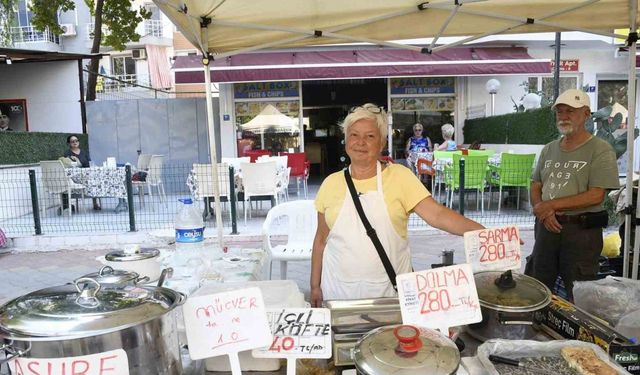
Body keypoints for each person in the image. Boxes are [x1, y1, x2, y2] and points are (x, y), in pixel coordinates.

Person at [310, 103, 484, 306]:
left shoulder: (400, 177)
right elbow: (321, 240)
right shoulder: (331, 183)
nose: (360, 142)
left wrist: (484, 233)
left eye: (370, 136)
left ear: (382, 143)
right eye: (354, 135)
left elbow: (437, 215)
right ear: (346, 139)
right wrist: (315, 286)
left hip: (390, 294)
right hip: (338, 294)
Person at [525, 89, 619, 300]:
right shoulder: (549, 149)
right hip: (546, 228)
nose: (564, 116)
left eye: (570, 111)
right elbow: (535, 184)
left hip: (580, 232)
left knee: (579, 290)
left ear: (586, 114)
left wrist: (551, 206)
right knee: (538, 286)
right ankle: (538, 328)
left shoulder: (600, 150)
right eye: (559, 112)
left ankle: (577, 333)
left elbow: (596, 195)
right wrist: (544, 211)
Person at [63, 135, 101, 211]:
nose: (75, 143)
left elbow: (89, 163)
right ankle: (66, 206)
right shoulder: (67, 153)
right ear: (69, 143)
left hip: (86, 175)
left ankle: (95, 203)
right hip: (75, 176)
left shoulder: (84, 152)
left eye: (76, 140)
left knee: (94, 179)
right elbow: (68, 164)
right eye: (72, 141)